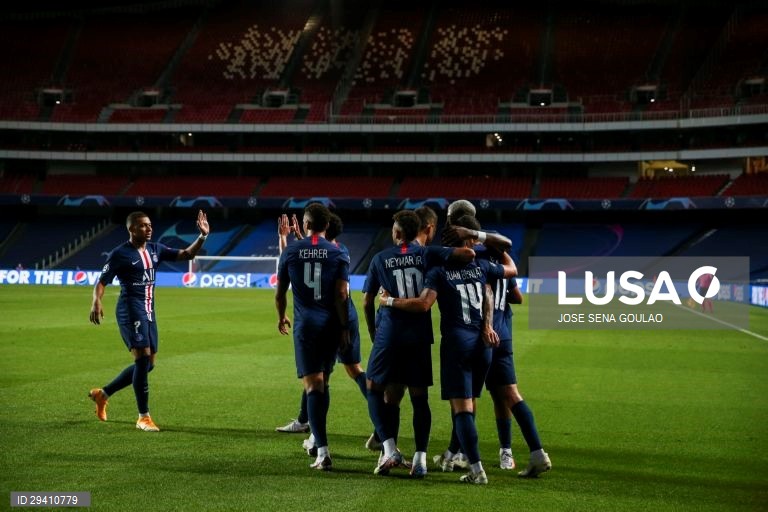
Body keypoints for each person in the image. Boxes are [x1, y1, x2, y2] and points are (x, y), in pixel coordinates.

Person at [381, 214, 517, 485]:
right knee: (471, 404)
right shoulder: (481, 266)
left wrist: (389, 301)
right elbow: (509, 270)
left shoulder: (438, 271)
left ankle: (476, 469)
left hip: (457, 345)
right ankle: (460, 455)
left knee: (463, 409)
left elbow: (422, 305)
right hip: (484, 344)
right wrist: (487, 324)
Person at [363, 209, 475, 478]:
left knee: (375, 389)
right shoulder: (428, 254)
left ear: (398, 233)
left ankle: (389, 448)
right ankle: (420, 459)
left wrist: (372, 332)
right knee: (419, 398)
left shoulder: (380, 258)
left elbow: (367, 301)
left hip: (388, 335)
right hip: (419, 337)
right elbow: (468, 254)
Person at [88, 210, 210, 432]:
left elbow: (187, 255)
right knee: (142, 360)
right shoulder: (120, 254)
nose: (149, 228)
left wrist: (202, 237)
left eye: (150, 225)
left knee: (148, 364)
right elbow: (102, 281)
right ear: (131, 229)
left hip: (149, 311)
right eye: (143, 225)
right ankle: (143, 417)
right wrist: (96, 301)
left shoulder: (156, 249)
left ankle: (103, 394)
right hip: (130, 310)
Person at [274, 212, 373, 455]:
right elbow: (317, 254)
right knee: (326, 376)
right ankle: (306, 422)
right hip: (341, 319)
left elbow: (296, 262)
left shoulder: (301, 250)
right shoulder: (340, 250)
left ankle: (319, 442)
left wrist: (289, 240)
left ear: (309, 225)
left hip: (320, 319)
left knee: (318, 379)